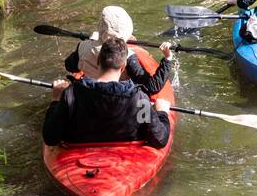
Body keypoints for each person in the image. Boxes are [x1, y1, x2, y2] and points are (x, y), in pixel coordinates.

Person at [43, 37, 171, 148]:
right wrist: (162, 113)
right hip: (126, 149)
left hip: (78, 146)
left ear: (98, 60)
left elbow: (50, 138)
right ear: (123, 66)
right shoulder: (140, 99)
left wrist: (56, 99)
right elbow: (159, 140)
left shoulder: (71, 94)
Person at [65, 5, 173, 95]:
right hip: (117, 97)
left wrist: (92, 41)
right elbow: (152, 87)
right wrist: (167, 59)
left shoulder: (82, 47)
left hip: (91, 92)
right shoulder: (127, 56)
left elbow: (69, 66)